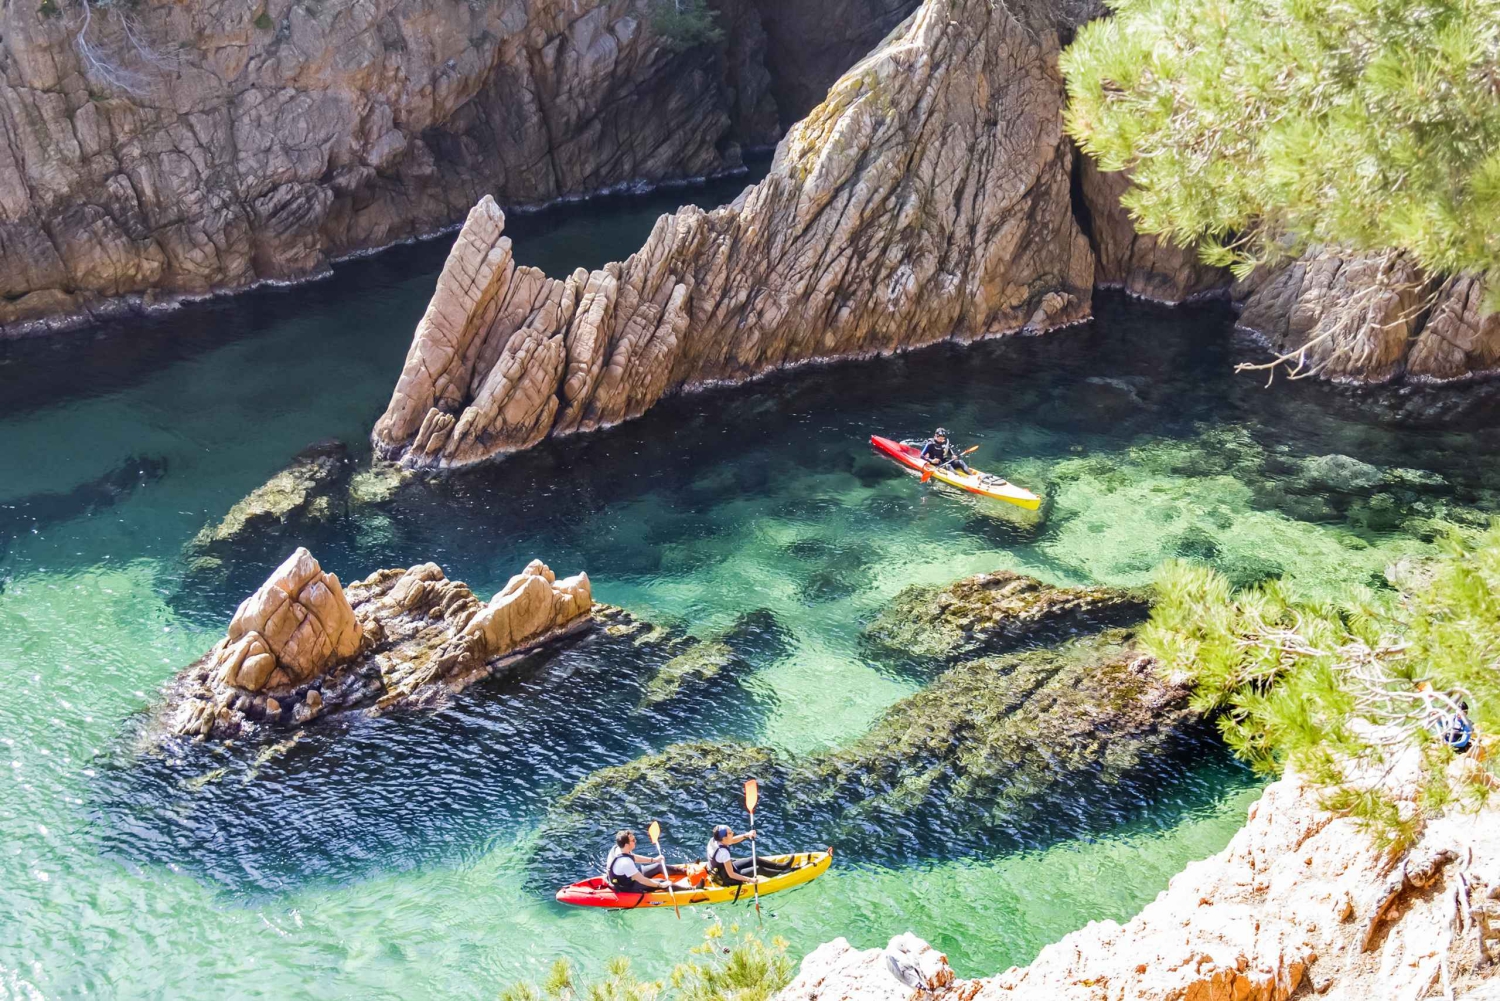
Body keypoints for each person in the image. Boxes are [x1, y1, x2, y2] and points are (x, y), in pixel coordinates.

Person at [705, 825, 795, 886]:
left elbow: (731, 840)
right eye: (730, 833)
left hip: (723, 870)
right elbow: (731, 874)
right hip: (726, 878)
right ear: (724, 838)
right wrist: (750, 880)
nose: (732, 833)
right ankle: (782, 873)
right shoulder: (723, 853)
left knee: (754, 859)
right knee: (758, 869)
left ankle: (783, 866)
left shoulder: (714, 840)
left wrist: (746, 835)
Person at [605, 829, 688, 894]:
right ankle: (691, 889)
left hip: (628, 876)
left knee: (658, 866)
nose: (635, 841)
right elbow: (642, 880)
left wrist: (654, 860)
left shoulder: (619, 848)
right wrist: (661, 885)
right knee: (663, 882)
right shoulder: (625, 862)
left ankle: (686, 872)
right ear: (626, 845)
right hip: (627, 885)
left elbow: (634, 857)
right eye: (633, 840)